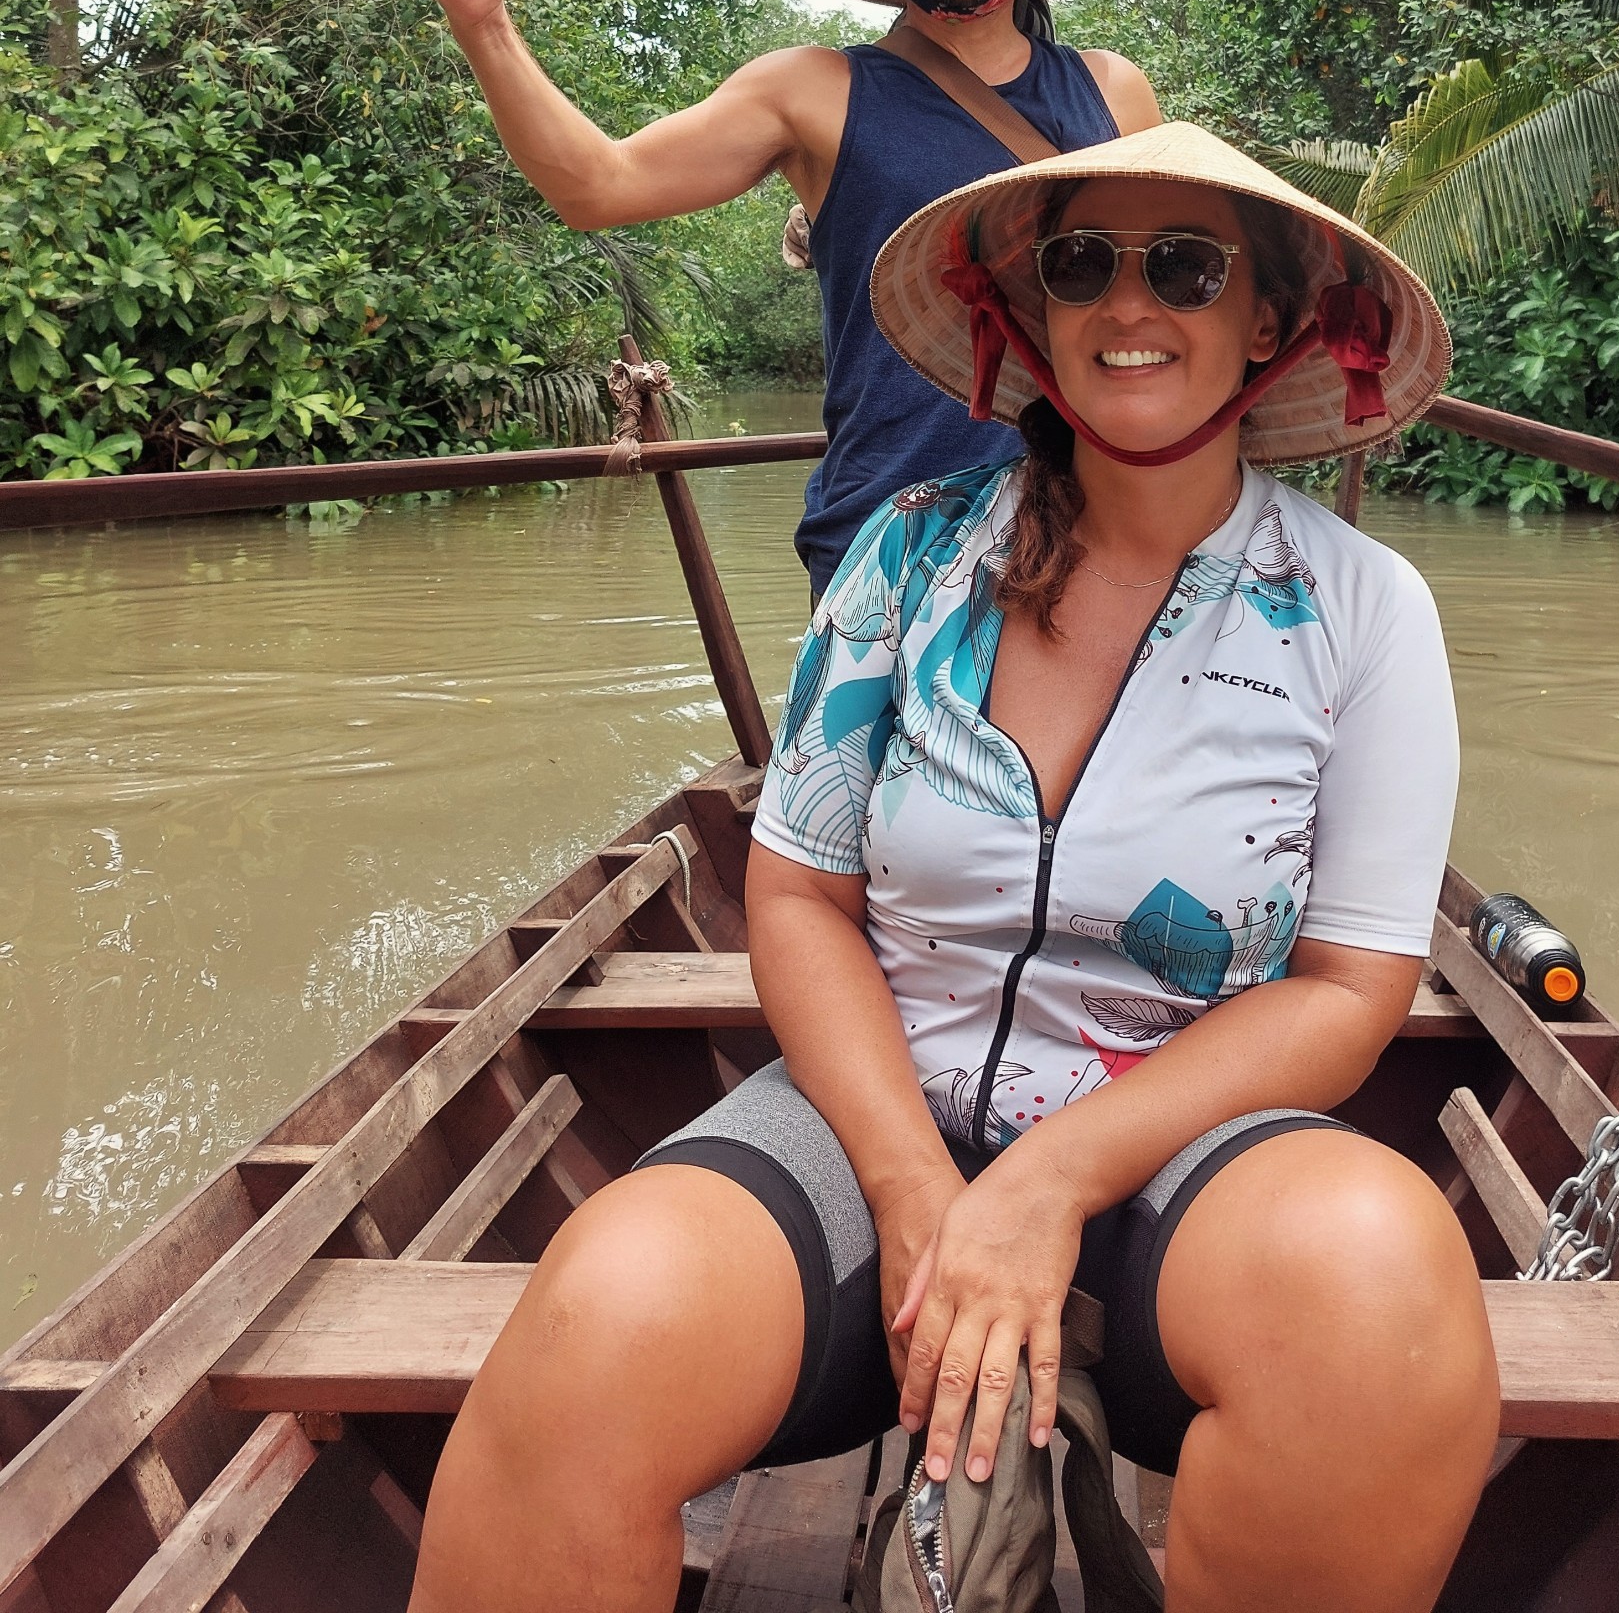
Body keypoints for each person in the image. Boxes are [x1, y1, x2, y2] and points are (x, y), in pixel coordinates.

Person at [408, 121, 1499, 1613]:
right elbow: (797, 894)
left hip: (1177, 1157)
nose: (1132, 303)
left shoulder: (1362, 610)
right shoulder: (912, 560)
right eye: (1083, 263)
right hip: (874, 1122)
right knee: (600, 1316)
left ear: (1268, 317)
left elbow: (1350, 985)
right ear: (1034, 312)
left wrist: (1048, 1183)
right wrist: (919, 1184)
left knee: (1385, 1293)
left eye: (1186, 265)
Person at [416, 0, 1162, 592]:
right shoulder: (813, 92)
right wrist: (485, 24)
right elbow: (598, 185)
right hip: (891, 558)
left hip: (1101, 541)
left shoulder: (1114, 94)